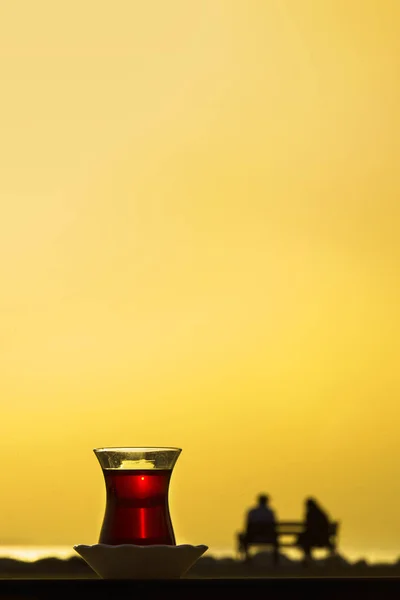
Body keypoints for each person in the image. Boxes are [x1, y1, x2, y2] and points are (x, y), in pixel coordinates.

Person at [241, 494, 278, 564]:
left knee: (241, 536)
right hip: (269, 537)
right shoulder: (270, 512)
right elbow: (274, 525)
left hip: (253, 536)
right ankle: (275, 560)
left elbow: (247, 525)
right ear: (267, 501)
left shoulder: (252, 512)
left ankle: (247, 557)